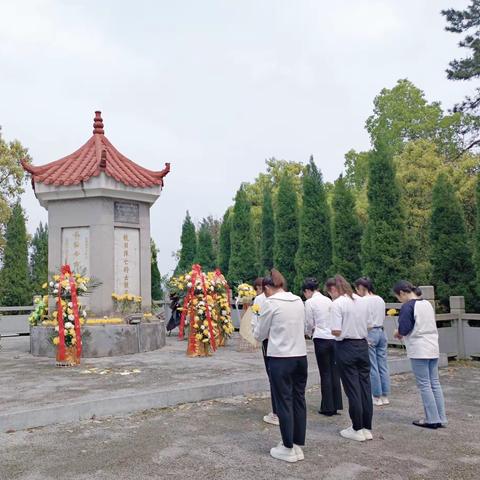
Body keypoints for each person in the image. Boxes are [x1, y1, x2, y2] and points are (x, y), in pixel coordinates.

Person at [253, 269, 308, 463]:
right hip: (301, 355)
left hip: (280, 357)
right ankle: (297, 443)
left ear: (268, 287)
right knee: (299, 399)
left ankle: (287, 446)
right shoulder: (298, 301)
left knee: (284, 400)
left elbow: (260, 334)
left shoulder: (271, 303)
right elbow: (306, 326)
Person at [393, 281, 447, 429]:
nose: (399, 300)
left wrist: (397, 333)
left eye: (398, 297)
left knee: (424, 385)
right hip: (433, 346)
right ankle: (441, 417)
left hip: (419, 348)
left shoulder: (408, 306)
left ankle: (431, 419)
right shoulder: (427, 304)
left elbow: (404, 329)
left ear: (403, 293)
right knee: (434, 383)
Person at [326, 275, 373, 442]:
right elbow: (369, 324)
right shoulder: (362, 301)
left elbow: (336, 330)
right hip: (362, 344)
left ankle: (356, 427)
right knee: (365, 387)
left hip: (346, 346)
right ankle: (367, 426)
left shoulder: (337, 304)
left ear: (333, 289)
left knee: (352, 388)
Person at [303, 277, 343, 416]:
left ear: (307, 291)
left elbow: (309, 322)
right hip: (333, 337)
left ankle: (327, 406)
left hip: (320, 338)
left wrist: (308, 333)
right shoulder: (328, 299)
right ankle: (336, 404)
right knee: (334, 371)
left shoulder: (310, 302)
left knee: (325, 372)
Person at [355, 277, 391, 406]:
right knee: (383, 365)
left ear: (361, 288)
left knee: (372, 365)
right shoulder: (380, 299)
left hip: (370, 332)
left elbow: (365, 320)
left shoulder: (363, 301)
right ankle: (385, 395)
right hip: (382, 331)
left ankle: (376, 396)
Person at [252, 277, 278, 426]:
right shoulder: (290, 298)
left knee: (273, 376)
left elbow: (257, 323)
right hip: (287, 343)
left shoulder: (260, 300)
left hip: (268, 341)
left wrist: (257, 335)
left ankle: (276, 412)